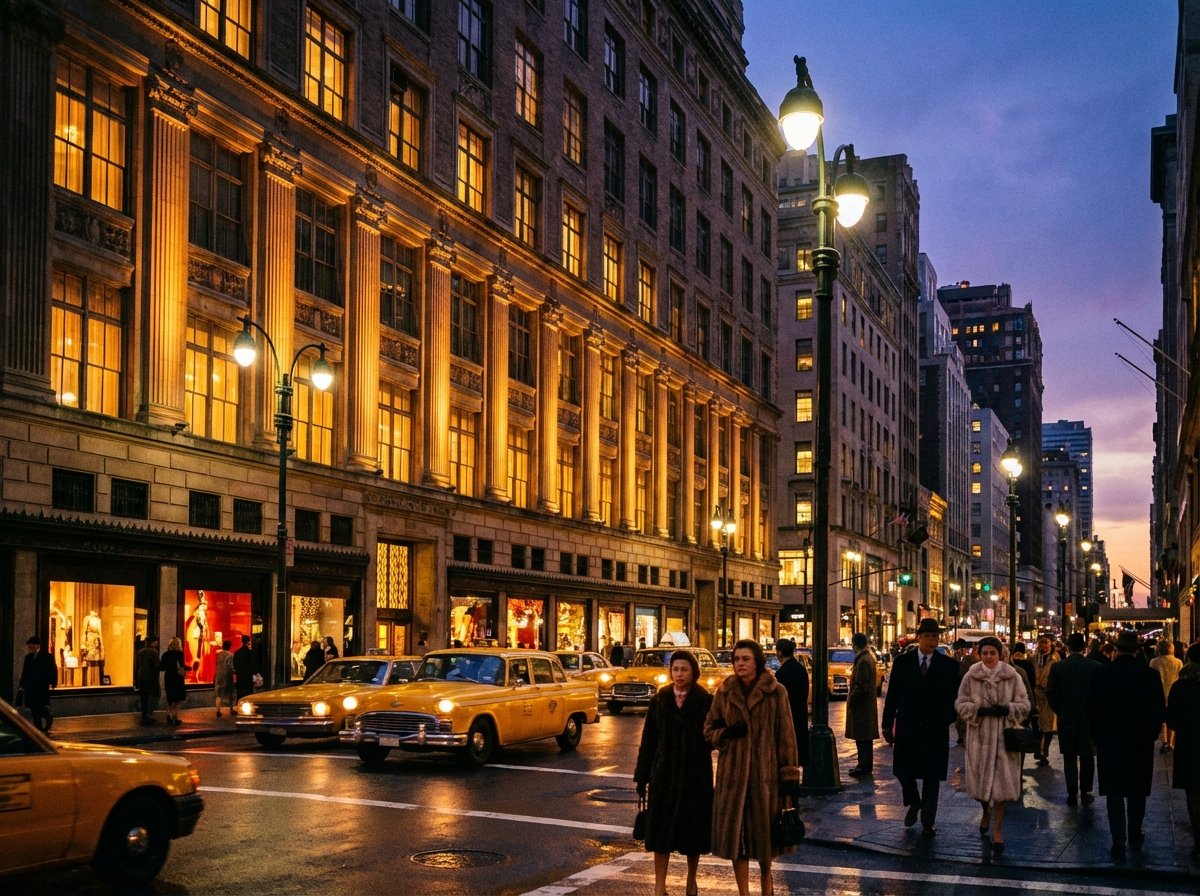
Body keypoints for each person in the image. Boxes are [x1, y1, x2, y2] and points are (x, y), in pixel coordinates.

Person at [704, 639, 800, 896]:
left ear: (757, 661)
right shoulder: (725, 691)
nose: (740, 664)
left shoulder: (776, 691)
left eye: (745, 659)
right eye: (736, 659)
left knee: (765, 838)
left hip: (764, 777)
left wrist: (789, 776)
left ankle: (766, 883)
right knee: (738, 841)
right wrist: (725, 734)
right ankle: (743, 892)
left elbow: (786, 736)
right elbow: (708, 730)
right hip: (733, 777)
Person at [634, 649, 714, 896]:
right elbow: (649, 739)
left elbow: (711, 737)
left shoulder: (705, 700)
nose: (679, 674)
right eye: (676, 669)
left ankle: (691, 880)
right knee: (660, 832)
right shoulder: (660, 700)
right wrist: (642, 775)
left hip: (696, 774)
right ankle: (660, 884)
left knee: (693, 832)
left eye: (684, 669)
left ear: (693, 673)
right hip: (664, 773)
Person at [1087, 629, 1166, 860]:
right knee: (1137, 790)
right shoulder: (1149, 675)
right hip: (1139, 740)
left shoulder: (1101, 674)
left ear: (1116, 649)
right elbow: (1158, 709)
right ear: (1137, 650)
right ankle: (1135, 832)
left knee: (1114, 791)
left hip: (1109, 739)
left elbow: (1090, 707)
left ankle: (1118, 840)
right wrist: (1151, 734)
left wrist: (1096, 735)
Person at [880, 618, 960, 836]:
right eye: (927, 636)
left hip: (935, 728)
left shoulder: (949, 666)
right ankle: (914, 801)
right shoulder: (902, 662)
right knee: (903, 770)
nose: (931, 641)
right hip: (908, 726)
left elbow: (955, 697)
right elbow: (893, 695)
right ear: (919, 638)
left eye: (934, 636)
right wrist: (887, 723)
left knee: (932, 776)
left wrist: (947, 718)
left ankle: (927, 821)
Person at [955, 636, 1029, 855]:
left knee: (1001, 789)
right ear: (979, 654)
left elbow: (1025, 704)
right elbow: (960, 702)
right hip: (979, 737)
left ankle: (997, 830)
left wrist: (1008, 710)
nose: (988, 657)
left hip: (1004, 739)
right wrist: (978, 711)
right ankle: (985, 811)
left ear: (1000, 654)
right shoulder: (971, 676)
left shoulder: (1011, 675)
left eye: (992, 653)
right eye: (985, 653)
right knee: (981, 789)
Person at [1046, 631, 1099, 806]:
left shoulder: (1058, 667)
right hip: (1089, 717)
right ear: (1084, 647)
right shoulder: (1095, 667)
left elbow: (1050, 692)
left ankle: (1071, 791)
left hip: (1067, 716)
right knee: (1087, 755)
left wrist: (1059, 709)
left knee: (1069, 755)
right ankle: (1085, 789)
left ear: (1068, 647)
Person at [1166, 641, 1200, 860]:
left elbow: (1173, 721)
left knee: (1194, 797)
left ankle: (1198, 842)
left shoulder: (1181, 687)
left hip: (1190, 745)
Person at [845, 632, 879, 777]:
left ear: (855, 644)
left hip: (862, 707)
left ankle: (864, 766)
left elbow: (861, 685)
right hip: (864, 706)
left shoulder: (864, 660)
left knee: (863, 738)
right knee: (863, 739)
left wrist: (852, 699)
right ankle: (863, 765)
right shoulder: (866, 658)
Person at [774, 638, 810, 768]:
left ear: (779, 653)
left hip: (788, 716)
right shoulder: (800, 669)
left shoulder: (782, 673)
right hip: (800, 714)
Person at [1149, 639, 1183, 752]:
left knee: (1163, 720)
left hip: (1159, 693)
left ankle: (1164, 741)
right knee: (1172, 718)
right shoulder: (1178, 662)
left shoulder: (1154, 662)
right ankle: (1171, 742)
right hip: (1174, 693)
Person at [20, 635, 57, 733]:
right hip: (31, 687)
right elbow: (25, 672)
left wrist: (53, 683)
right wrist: (22, 684)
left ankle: (46, 719)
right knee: (33, 708)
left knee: (40, 706)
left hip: (41, 687)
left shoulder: (47, 657)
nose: (30, 647)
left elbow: (53, 669)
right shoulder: (28, 657)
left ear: (37, 645)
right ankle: (38, 728)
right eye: (29, 645)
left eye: (32, 645)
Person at [1032, 635, 1059, 766]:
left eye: (1046, 644)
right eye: (1042, 644)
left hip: (1048, 694)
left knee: (1047, 725)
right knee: (1037, 725)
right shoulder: (1034, 658)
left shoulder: (1055, 658)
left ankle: (1044, 752)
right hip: (1036, 693)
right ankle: (1039, 750)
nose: (1044, 647)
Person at [160, 637, 187, 725]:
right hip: (178, 678)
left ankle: (169, 715)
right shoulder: (180, 654)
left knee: (170, 698)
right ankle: (176, 717)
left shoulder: (165, 655)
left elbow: (162, 667)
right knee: (178, 699)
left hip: (169, 678)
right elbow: (182, 666)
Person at [135, 636, 161, 724]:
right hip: (151, 677)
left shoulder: (140, 652)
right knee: (151, 696)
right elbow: (157, 666)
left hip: (141, 677)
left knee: (143, 697)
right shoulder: (154, 652)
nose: (157, 643)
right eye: (156, 642)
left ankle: (144, 716)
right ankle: (149, 715)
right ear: (153, 642)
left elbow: (137, 666)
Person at [213, 639, 236, 717]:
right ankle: (231, 709)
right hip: (227, 675)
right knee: (230, 692)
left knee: (218, 693)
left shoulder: (218, 655)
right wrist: (234, 671)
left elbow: (216, 664)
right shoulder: (230, 655)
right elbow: (230, 666)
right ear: (229, 647)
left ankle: (218, 709)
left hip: (219, 675)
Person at [233, 635, 257, 701]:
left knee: (240, 694)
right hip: (247, 677)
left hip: (240, 677)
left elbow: (234, 664)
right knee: (248, 695)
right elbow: (252, 665)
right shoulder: (249, 653)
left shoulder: (237, 653)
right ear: (248, 642)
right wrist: (255, 672)